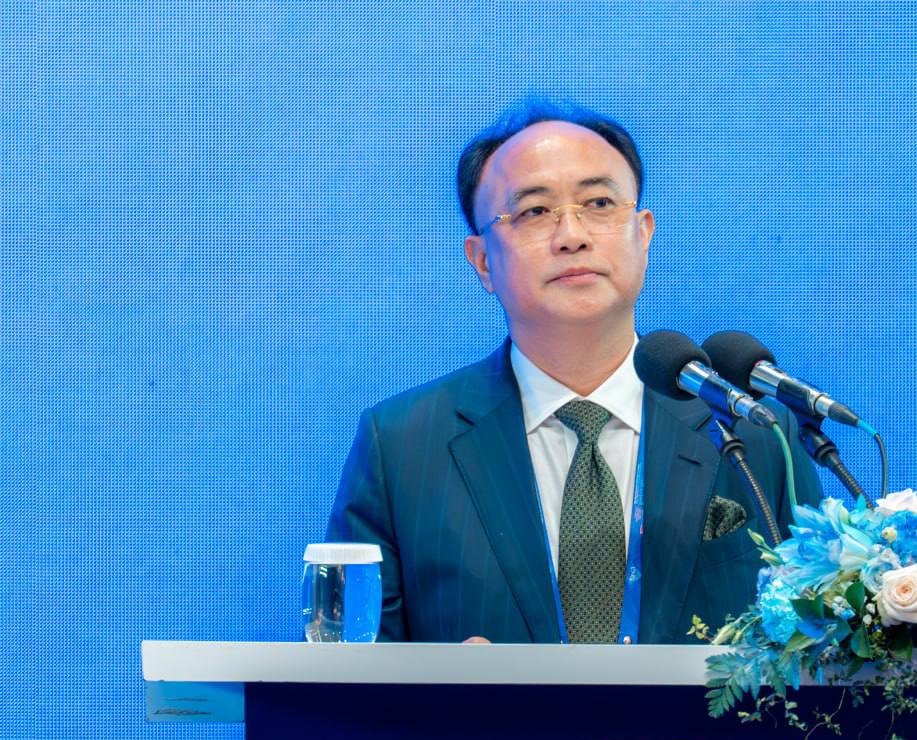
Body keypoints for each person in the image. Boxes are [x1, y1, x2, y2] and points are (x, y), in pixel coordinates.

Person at [326, 98, 822, 643]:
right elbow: (348, 668)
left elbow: (820, 646)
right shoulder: (402, 446)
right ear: (483, 261)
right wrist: (442, 687)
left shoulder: (754, 431)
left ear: (643, 234)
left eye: (599, 203)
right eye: (535, 211)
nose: (572, 234)